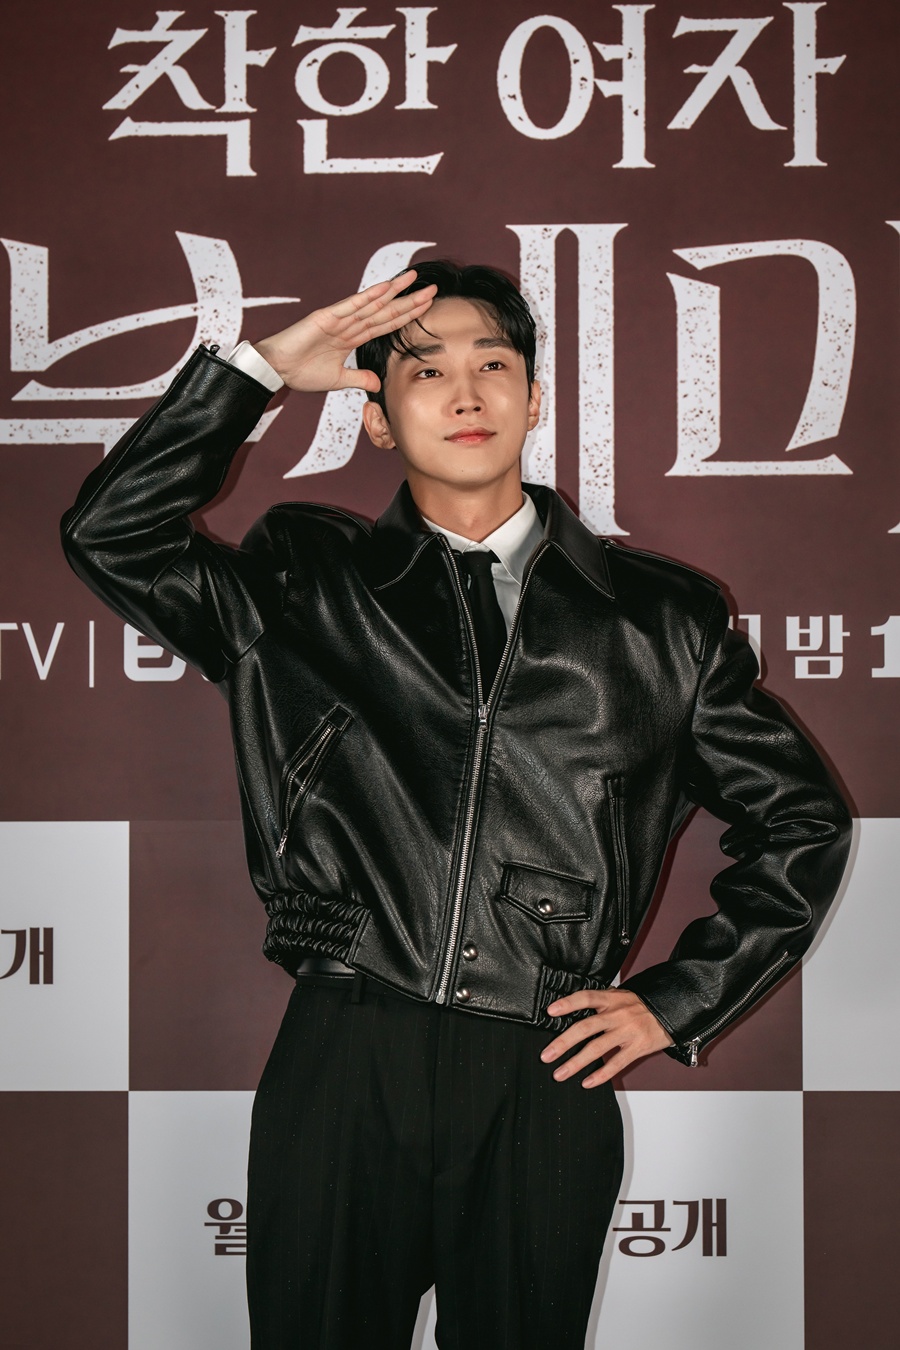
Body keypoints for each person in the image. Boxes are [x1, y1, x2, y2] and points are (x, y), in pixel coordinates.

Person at [60, 261, 851, 1350]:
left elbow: (801, 819)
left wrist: (678, 1000)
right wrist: (257, 374)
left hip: (545, 1066)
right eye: (425, 372)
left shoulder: (660, 620)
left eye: (494, 365)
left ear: (534, 397)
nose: (467, 393)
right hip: (347, 1047)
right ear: (377, 417)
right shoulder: (306, 579)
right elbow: (111, 535)